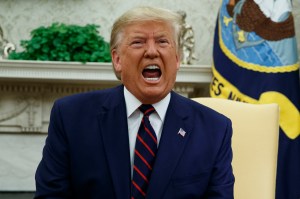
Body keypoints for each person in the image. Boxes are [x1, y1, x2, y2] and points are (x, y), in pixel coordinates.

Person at [34, 6, 234, 199]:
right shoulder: (71, 117)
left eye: (162, 42)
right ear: (117, 59)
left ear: (177, 58)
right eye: (138, 42)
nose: (152, 51)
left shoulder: (214, 129)